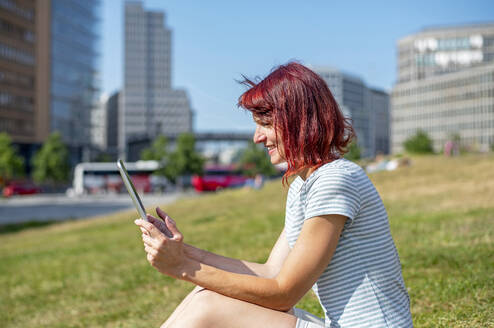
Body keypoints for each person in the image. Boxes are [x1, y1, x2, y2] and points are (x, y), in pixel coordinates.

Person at [135, 62, 413, 328]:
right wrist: (181, 251)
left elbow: (284, 293)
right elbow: (271, 273)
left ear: (298, 121)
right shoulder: (303, 185)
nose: (257, 137)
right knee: (202, 295)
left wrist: (183, 266)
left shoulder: (336, 179)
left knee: (208, 306)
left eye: (265, 124)